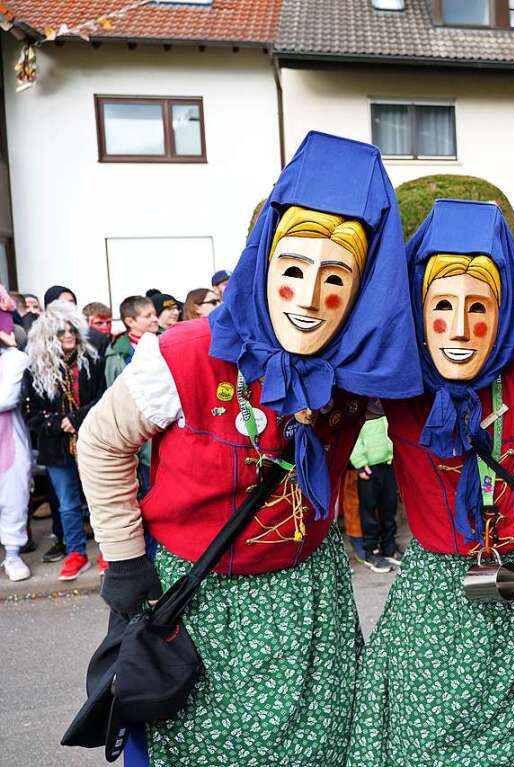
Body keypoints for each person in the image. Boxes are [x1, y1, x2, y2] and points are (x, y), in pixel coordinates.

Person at [76, 132, 421, 767]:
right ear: (263, 260)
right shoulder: (185, 354)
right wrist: (124, 561)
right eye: (294, 269)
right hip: (206, 602)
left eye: (337, 276)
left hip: (308, 598)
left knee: (320, 745)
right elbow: (100, 442)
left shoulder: (357, 368)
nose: (312, 297)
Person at [348, 200, 514, 766]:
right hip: (434, 591)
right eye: (441, 306)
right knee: (426, 733)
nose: (457, 328)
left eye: (477, 307)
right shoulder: (398, 372)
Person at [22, 301, 106, 580]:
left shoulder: (92, 362)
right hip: (56, 447)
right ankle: (76, 553)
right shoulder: (36, 371)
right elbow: (30, 411)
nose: (68, 335)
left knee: (99, 499)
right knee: (68, 504)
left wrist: (77, 418)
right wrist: (59, 423)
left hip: (92, 441)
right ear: (48, 337)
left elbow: (103, 399)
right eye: (60, 332)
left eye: (71, 330)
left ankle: (109, 550)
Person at [105, 295, 160, 495]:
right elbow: (116, 396)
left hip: (166, 426)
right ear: (130, 322)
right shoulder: (117, 354)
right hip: (141, 433)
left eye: (154, 314)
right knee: (147, 488)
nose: (155, 319)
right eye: (148, 315)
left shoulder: (164, 341)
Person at [0, 293, 31, 581]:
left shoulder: (15, 358)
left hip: (8, 441)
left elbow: (5, 397)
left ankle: (12, 554)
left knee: (12, 496)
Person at [348, 407, 400, 573]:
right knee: (368, 510)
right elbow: (353, 436)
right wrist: (360, 462)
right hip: (368, 467)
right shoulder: (360, 405)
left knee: (389, 506)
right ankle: (371, 551)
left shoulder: (383, 403)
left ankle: (389, 546)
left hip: (387, 462)